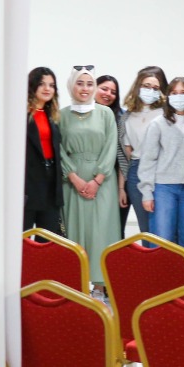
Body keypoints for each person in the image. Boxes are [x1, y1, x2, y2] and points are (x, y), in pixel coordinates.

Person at [60, 68, 120, 292]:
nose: (84, 88)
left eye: (89, 84)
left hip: (102, 181)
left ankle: (100, 288)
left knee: (101, 231)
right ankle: (76, 287)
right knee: (74, 230)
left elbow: (111, 146)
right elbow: (58, 149)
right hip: (72, 180)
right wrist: (73, 177)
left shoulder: (105, 114)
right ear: (71, 86)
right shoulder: (61, 115)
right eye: (80, 83)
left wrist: (98, 179)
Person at [139, 77, 184, 259]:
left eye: (183, 92)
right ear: (168, 96)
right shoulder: (158, 124)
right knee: (162, 239)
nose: (179, 97)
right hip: (164, 188)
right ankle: (162, 276)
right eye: (174, 93)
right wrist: (147, 192)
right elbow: (148, 159)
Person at [121, 66, 167, 234]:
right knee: (146, 228)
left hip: (160, 170)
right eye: (146, 86)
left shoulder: (165, 113)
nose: (150, 91)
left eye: (155, 88)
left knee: (163, 226)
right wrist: (121, 187)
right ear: (138, 87)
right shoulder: (127, 117)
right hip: (135, 171)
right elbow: (126, 154)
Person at [24, 68, 63, 233]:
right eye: (42, 84)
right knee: (22, 236)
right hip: (28, 183)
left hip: (50, 183)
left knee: (49, 237)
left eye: (51, 85)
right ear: (32, 86)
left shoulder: (52, 115)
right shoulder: (22, 114)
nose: (47, 89)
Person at [94, 74, 128, 233]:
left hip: (114, 179)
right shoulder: (78, 114)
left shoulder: (121, 118)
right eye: (104, 89)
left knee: (114, 228)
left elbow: (122, 156)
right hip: (86, 177)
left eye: (113, 92)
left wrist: (121, 188)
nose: (108, 94)